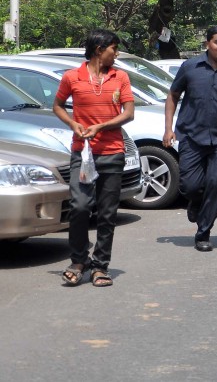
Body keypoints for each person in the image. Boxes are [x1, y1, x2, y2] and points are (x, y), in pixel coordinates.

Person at [54, 30, 135, 286]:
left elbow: (129, 113)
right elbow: (57, 105)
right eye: (114, 48)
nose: (117, 53)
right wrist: (72, 123)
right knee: (79, 207)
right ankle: (79, 260)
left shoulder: (120, 77)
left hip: (112, 152)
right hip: (82, 153)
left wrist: (101, 127)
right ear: (99, 49)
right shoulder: (72, 77)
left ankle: (100, 266)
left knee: (107, 213)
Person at [164, 25, 217, 252]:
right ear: (207, 44)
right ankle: (195, 201)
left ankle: (203, 231)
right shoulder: (190, 67)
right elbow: (173, 96)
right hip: (191, 134)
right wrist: (168, 128)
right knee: (189, 185)